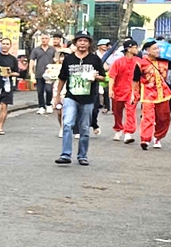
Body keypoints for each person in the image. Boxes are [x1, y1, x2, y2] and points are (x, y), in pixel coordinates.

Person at [54, 33, 102, 166]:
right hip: (71, 97)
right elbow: (62, 78)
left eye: (85, 41)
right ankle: (65, 154)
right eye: (80, 40)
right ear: (75, 43)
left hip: (88, 98)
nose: (82, 43)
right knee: (67, 124)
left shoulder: (94, 59)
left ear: (89, 44)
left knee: (84, 128)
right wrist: (57, 96)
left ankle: (82, 155)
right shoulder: (69, 59)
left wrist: (95, 77)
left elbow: (103, 77)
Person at [134, 40, 171, 149]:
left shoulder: (165, 61)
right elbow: (135, 79)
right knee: (148, 117)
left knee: (164, 118)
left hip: (163, 94)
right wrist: (134, 93)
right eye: (154, 49)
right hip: (148, 94)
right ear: (147, 51)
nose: (157, 50)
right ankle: (145, 139)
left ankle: (158, 137)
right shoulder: (141, 63)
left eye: (158, 48)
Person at [105, 41, 140, 142]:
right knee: (117, 112)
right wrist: (110, 90)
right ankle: (118, 129)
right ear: (128, 49)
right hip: (118, 91)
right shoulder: (118, 62)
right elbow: (112, 77)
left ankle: (128, 133)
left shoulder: (138, 61)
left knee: (130, 111)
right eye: (135, 47)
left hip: (132, 92)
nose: (137, 49)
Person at [0, 38, 24, 135]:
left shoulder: (13, 59)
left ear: (10, 46)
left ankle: (0, 126)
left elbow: (17, 73)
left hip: (7, 85)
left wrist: (10, 73)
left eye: (7, 44)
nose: (5, 46)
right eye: (3, 44)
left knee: (4, 106)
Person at [32, 33, 58, 115]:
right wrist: (31, 71)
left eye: (46, 38)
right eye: (43, 38)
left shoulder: (52, 49)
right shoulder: (36, 49)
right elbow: (32, 60)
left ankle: (48, 104)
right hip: (39, 73)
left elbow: (56, 60)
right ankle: (41, 106)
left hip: (49, 74)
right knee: (40, 91)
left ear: (49, 39)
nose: (44, 40)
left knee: (49, 90)